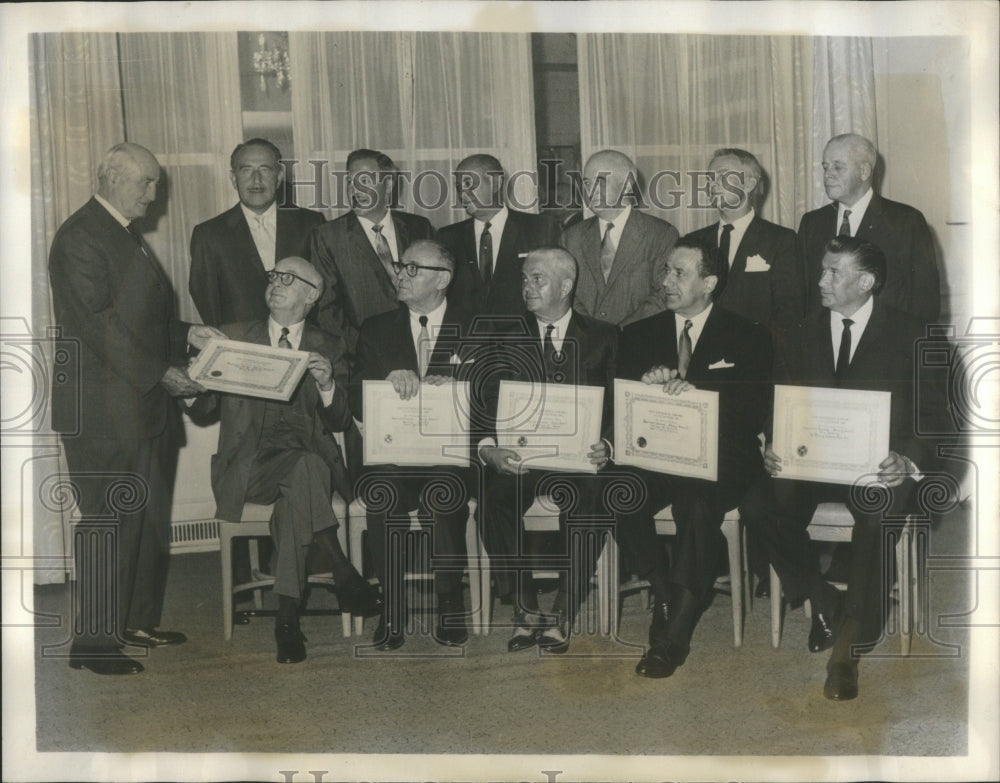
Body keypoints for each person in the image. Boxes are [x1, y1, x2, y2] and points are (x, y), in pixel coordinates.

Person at [49, 142, 224, 675]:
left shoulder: (124, 234)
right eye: (146, 183)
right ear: (110, 176)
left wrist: (189, 332)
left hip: (140, 406)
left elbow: (142, 323)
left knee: (145, 520)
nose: (155, 193)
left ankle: (135, 622)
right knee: (106, 520)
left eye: (154, 183)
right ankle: (94, 644)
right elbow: (100, 325)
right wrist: (164, 372)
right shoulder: (80, 237)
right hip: (103, 411)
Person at [741, 237, 942, 701]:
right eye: (822, 271)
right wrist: (773, 441)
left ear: (866, 282)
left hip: (878, 466)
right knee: (756, 504)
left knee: (877, 516)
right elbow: (780, 399)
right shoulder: (797, 330)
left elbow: (937, 418)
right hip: (812, 461)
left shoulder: (914, 333)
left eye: (834, 273)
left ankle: (848, 651)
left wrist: (907, 459)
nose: (820, 281)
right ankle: (825, 597)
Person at [191, 257, 382, 664]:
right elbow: (202, 409)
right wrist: (196, 380)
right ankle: (342, 570)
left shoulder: (329, 344)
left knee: (301, 484)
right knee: (307, 472)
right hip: (248, 468)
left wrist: (329, 384)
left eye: (289, 279)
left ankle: (287, 619)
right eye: (273, 277)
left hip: (302, 470)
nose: (276, 284)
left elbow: (340, 419)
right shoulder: (235, 337)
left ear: (312, 296)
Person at [615, 238, 772, 679]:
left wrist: (699, 397)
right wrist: (648, 388)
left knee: (697, 506)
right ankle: (665, 592)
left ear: (709, 282)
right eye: (665, 271)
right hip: (660, 457)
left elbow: (753, 411)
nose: (665, 281)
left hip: (725, 458)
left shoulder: (748, 335)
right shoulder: (639, 334)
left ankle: (674, 636)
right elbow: (622, 411)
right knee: (616, 489)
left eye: (678, 273)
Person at [479, 247, 618, 654]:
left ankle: (563, 612)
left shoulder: (605, 337)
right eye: (524, 279)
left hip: (578, 462)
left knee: (591, 498)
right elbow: (483, 402)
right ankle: (524, 609)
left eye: (536, 279)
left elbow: (617, 404)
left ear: (567, 285)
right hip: (521, 458)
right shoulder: (502, 336)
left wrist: (606, 444)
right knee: (493, 497)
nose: (527, 287)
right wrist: (489, 450)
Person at [351, 240, 478, 650]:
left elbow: (496, 399)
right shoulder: (375, 328)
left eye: (412, 269)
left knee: (444, 492)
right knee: (381, 492)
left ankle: (449, 601)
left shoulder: (476, 326)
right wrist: (383, 384)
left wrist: (459, 391)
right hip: (395, 458)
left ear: (442, 279)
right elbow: (354, 399)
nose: (400, 275)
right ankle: (392, 609)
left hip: (451, 460)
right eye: (400, 267)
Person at [797, 133, 940, 323]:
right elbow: (802, 294)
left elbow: (925, 300)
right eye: (825, 167)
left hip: (885, 343)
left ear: (864, 171)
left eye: (838, 167)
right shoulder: (812, 222)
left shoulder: (905, 221)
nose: (828, 174)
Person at [308, 148, 436, 356]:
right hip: (363, 357)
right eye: (350, 181)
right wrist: (368, 351)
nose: (355, 189)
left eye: (365, 180)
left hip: (423, 349)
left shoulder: (419, 227)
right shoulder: (327, 236)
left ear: (389, 185)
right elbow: (327, 311)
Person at [189, 138, 326, 327]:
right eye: (246, 170)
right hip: (240, 348)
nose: (256, 180)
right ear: (233, 179)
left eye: (265, 169)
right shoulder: (209, 235)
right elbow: (209, 305)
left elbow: (324, 296)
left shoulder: (311, 224)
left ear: (278, 177)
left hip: (303, 344)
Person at [684, 147, 802, 333]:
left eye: (723, 176)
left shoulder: (781, 240)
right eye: (710, 178)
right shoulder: (693, 241)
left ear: (749, 185)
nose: (713, 185)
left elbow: (788, 313)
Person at [562, 149, 678, 326]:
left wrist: (621, 332)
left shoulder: (660, 235)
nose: (590, 191)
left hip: (639, 341)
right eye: (586, 183)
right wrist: (593, 332)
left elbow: (663, 294)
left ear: (627, 184)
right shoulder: (571, 237)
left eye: (600, 181)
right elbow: (566, 292)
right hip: (588, 343)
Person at [439, 153, 561, 317]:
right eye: (459, 187)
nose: (463, 195)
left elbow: (556, 289)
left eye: (469, 184)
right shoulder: (447, 237)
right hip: (466, 339)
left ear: (495, 183)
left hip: (524, 338)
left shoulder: (540, 228)